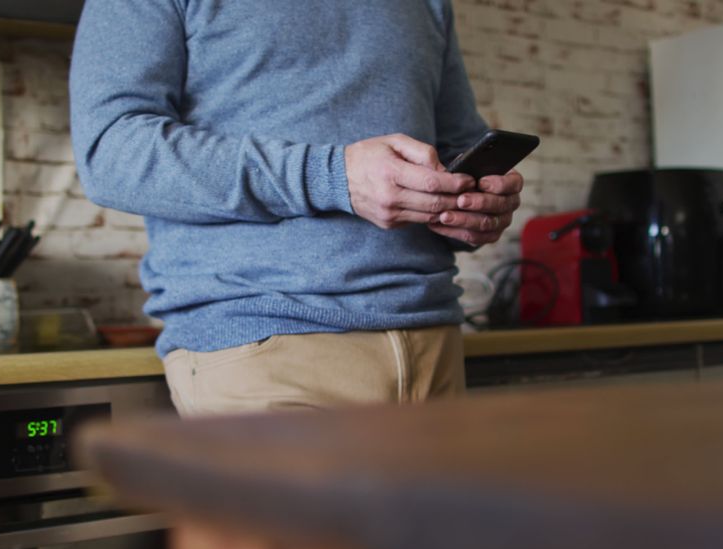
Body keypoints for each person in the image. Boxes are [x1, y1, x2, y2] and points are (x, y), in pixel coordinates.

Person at [69, 0, 525, 416]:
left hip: (435, 343)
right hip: (263, 346)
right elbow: (111, 152)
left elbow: (454, 144)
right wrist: (334, 175)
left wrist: (466, 204)